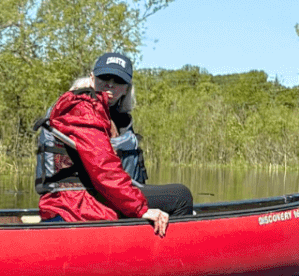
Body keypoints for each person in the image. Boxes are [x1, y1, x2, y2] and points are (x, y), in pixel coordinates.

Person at [34, 51, 194, 227]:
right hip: (74, 204)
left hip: (90, 196)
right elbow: (103, 166)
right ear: (92, 78)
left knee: (173, 195)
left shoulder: (109, 114)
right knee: (180, 197)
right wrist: (141, 209)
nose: (110, 84)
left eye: (118, 81)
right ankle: (168, 251)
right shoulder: (81, 108)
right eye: (104, 77)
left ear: (127, 88)